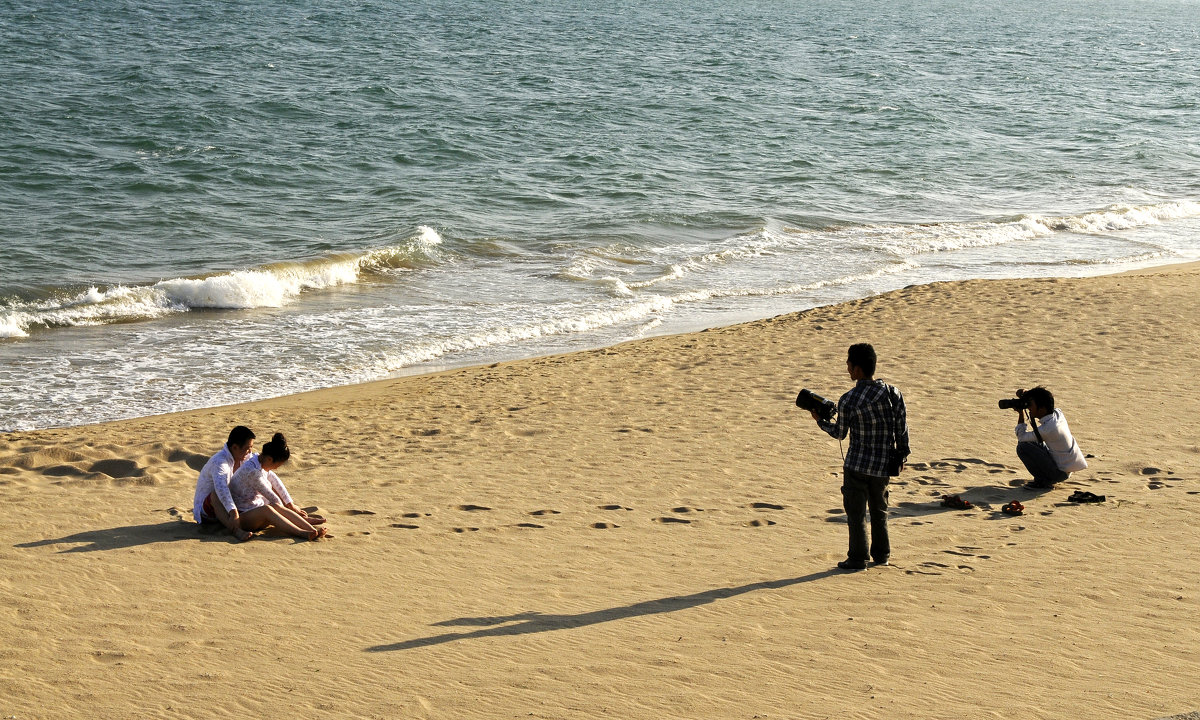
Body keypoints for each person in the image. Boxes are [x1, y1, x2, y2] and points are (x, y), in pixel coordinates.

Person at [811, 343, 909, 571]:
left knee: (856, 514)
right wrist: (902, 455)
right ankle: (881, 555)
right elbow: (902, 429)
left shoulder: (849, 399)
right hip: (884, 464)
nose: (847, 368)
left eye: (849, 364)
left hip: (857, 465)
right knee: (880, 510)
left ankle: (857, 558)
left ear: (857, 369)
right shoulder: (893, 393)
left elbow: (839, 433)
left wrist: (821, 422)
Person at [229, 433, 329, 541]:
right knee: (269, 509)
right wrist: (286, 512)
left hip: (253, 509)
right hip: (241, 516)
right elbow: (273, 498)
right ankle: (301, 532)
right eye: (277, 465)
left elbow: (275, 481)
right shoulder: (252, 471)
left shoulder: (258, 461)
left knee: (275, 507)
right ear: (270, 459)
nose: (276, 468)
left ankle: (310, 529)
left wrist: (290, 505)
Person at [1013, 386, 1086, 489]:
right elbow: (1047, 398)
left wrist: (1021, 414)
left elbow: (1021, 437)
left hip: (1059, 473)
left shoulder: (1048, 429)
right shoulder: (1058, 414)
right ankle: (1046, 478)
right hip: (1065, 467)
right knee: (1031, 442)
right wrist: (1028, 394)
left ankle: (1043, 481)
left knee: (1022, 447)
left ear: (1042, 409)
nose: (1029, 408)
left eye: (1031, 405)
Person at [193, 426, 256, 541]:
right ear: (235, 447)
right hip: (208, 511)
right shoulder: (220, 462)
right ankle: (236, 531)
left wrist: (288, 504)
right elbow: (221, 489)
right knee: (215, 495)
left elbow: (266, 473)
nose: (250, 452)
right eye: (247, 448)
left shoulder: (245, 457)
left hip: (230, 505)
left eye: (251, 447)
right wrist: (233, 512)